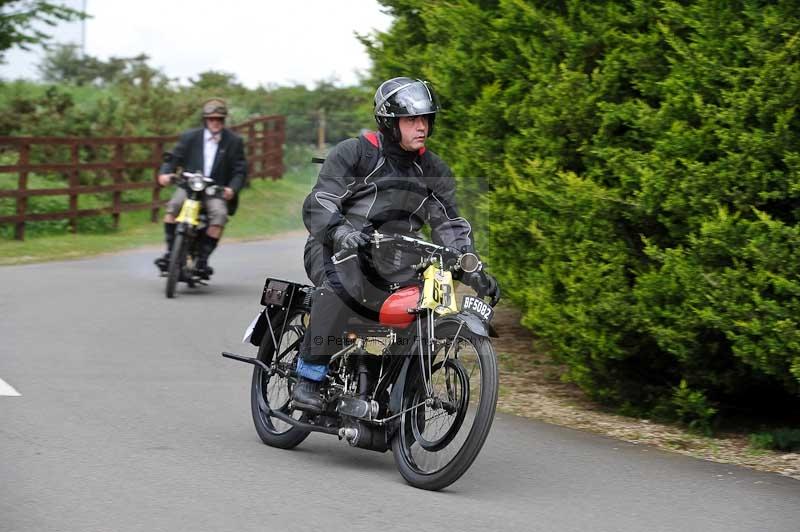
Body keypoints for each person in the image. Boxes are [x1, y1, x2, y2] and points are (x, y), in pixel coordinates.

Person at [292, 77, 500, 412]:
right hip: (336, 245)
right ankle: (309, 377)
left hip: (396, 259)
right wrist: (343, 233)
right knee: (343, 286)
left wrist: (471, 266)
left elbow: (448, 223)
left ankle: (397, 393)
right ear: (390, 122)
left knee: (425, 306)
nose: (422, 127)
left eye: (426, 120)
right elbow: (320, 201)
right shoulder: (356, 153)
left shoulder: (432, 168)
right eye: (412, 120)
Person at [155, 97, 247, 278]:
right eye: (212, 119)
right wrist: (165, 174)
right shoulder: (190, 137)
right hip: (190, 186)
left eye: (219, 119)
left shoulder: (234, 141)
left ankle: (202, 260)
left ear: (224, 120)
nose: (215, 122)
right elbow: (174, 159)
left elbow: (240, 170)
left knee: (219, 215)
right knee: (173, 206)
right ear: (205, 119)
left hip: (215, 189)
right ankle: (170, 253)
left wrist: (231, 189)